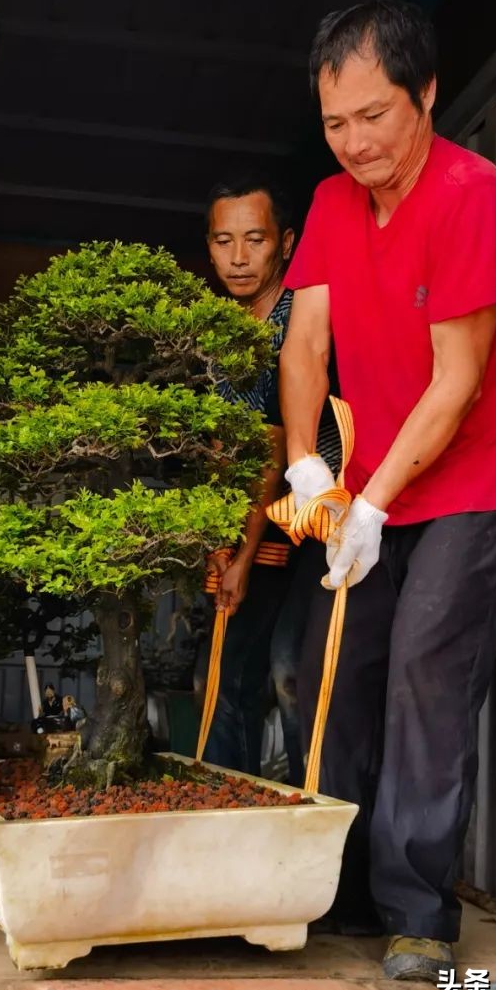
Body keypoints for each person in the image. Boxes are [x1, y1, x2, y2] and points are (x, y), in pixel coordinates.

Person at [280, 0, 496, 981]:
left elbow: (456, 381)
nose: (356, 143)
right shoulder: (332, 201)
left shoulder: (474, 197)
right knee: (334, 678)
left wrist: (374, 505)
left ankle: (418, 913)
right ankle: (337, 893)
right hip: (369, 485)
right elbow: (305, 344)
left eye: (374, 115)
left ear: (426, 93)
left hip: (472, 485)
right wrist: (307, 463)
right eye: (335, 123)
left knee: (425, 680)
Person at [201, 175, 341, 782]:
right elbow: (220, 447)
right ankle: (230, 805)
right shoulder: (216, 333)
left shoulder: (298, 317)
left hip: (317, 526)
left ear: (285, 244)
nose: (238, 258)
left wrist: (245, 549)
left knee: (292, 673)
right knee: (226, 676)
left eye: (254, 240)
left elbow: (272, 442)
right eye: (223, 241)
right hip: (255, 529)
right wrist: (219, 540)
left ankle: (311, 806)